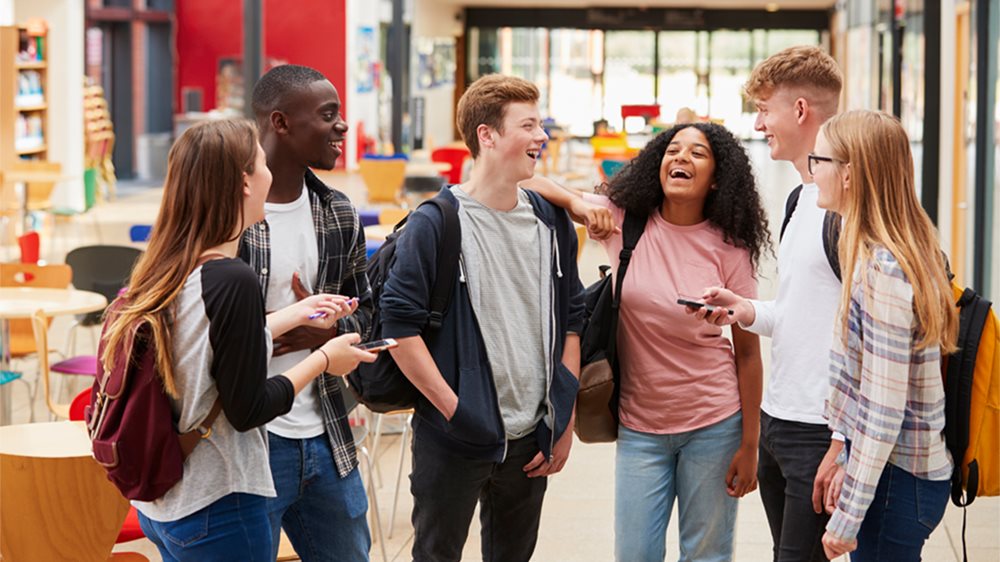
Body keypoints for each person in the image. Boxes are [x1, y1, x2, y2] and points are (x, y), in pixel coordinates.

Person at [103, 119, 376, 561]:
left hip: (168, 503)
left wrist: (298, 312)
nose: (272, 174)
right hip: (219, 501)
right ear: (244, 183)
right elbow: (249, 408)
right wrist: (325, 359)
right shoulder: (233, 279)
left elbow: (205, 349)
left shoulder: (171, 267)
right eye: (263, 164)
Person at [526, 121, 770, 561]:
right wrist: (578, 205)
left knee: (707, 555)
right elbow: (528, 180)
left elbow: (748, 354)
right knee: (635, 554)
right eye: (673, 150)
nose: (681, 158)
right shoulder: (625, 222)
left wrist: (750, 445)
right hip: (640, 426)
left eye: (697, 154)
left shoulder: (730, 248)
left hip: (714, 422)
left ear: (716, 179)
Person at [379, 74, 585, 562]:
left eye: (541, 124)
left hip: (532, 438)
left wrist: (563, 416)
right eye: (529, 125)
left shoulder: (552, 222)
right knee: (436, 554)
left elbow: (573, 321)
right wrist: (457, 413)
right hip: (454, 437)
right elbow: (399, 330)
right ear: (487, 136)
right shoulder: (436, 223)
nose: (542, 136)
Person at [699, 45, 846, 562]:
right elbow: (801, 311)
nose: (759, 123)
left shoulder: (846, 210)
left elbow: (871, 333)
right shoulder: (801, 198)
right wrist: (746, 308)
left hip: (821, 428)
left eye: (765, 109)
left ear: (800, 110)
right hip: (780, 419)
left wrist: (843, 443)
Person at [242, 64, 375, 561]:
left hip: (325, 434)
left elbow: (369, 317)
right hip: (249, 443)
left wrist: (324, 333)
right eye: (328, 115)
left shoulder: (338, 212)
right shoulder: (229, 215)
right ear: (279, 122)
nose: (342, 126)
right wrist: (281, 320)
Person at [811, 110, 957, 560]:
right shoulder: (891, 252)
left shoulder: (884, 270)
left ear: (850, 174)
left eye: (820, 160)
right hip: (897, 475)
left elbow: (883, 408)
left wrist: (849, 515)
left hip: (898, 483)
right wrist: (843, 454)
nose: (813, 171)